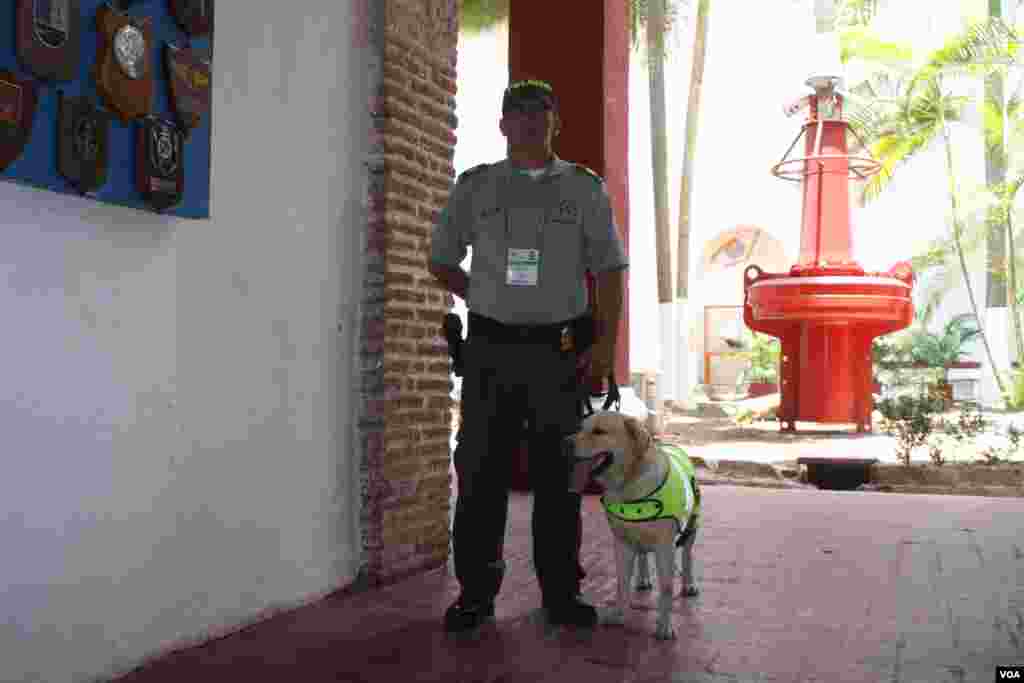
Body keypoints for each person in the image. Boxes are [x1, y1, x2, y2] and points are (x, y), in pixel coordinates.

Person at [428, 79, 628, 633]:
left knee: (559, 478)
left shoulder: (584, 188)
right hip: (490, 351)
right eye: (516, 116)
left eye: (538, 116)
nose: (527, 125)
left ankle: (562, 593)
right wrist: (483, 293)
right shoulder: (475, 186)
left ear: (553, 123)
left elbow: (610, 270)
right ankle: (474, 594)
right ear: (501, 125)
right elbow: (441, 259)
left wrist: (604, 347)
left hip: (558, 353)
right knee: (480, 476)